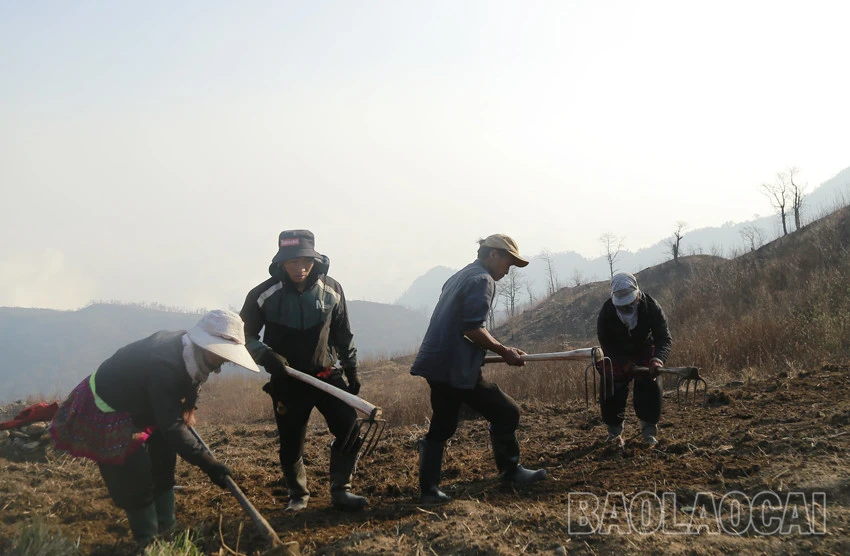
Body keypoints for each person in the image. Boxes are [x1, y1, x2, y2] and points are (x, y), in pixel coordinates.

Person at [49, 309, 260, 547]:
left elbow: (183, 395)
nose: (223, 362)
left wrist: (187, 409)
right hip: (110, 406)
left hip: (146, 403)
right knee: (134, 475)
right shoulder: (165, 363)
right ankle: (148, 542)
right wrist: (209, 464)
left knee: (164, 460)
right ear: (205, 345)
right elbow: (171, 426)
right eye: (221, 355)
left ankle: (167, 530)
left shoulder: (194, 356)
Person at [410, 234, 547, 505]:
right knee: (506, 412)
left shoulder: (461, 275)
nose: (508, 271)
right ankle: (510, 471)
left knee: (442, 424)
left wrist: (496, 349)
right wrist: (504, 351)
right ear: (493, 254)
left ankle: (428, 490)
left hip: (438, 364)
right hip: (455, 368)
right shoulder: (482, 279)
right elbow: (472, 327)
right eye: (508, 262)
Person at [240, 229, 366, 512]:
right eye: (293, 262)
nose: (300, 268)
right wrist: (265, 355)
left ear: (315, 260)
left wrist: (352, 369)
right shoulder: (263, 294)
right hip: (288, 380)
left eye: (306, 261)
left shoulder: (332, 289)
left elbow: (343, 334)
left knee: (349, 429)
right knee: (291, 442)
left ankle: (341, 490)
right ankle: (298, 495)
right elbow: (241, 335)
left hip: (325, 375)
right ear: (281, 263)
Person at [596, 272, 672, 446]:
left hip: (644, 351)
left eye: (630, 303)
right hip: (617, 354)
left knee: (649, 385)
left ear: (637, 295)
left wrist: (658, 359)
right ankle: (614, 433)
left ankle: (649, 433)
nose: (626, 307)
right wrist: (623, 362)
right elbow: (605, 341)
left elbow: (664, 338)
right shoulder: (607, 312)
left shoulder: (651, 307)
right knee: (611, 386)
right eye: (622, 305)